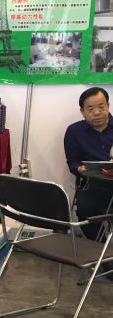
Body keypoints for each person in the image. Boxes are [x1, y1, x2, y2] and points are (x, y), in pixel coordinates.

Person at [64, 87, 113, 243]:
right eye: (90, 109)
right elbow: (72, 162)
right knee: (86, 209)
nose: (97, 113)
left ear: (108, 106)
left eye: (101, 107)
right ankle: (100, 248)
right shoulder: (74, 131)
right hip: (93, 183)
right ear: (82, 111)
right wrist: (80, 169)